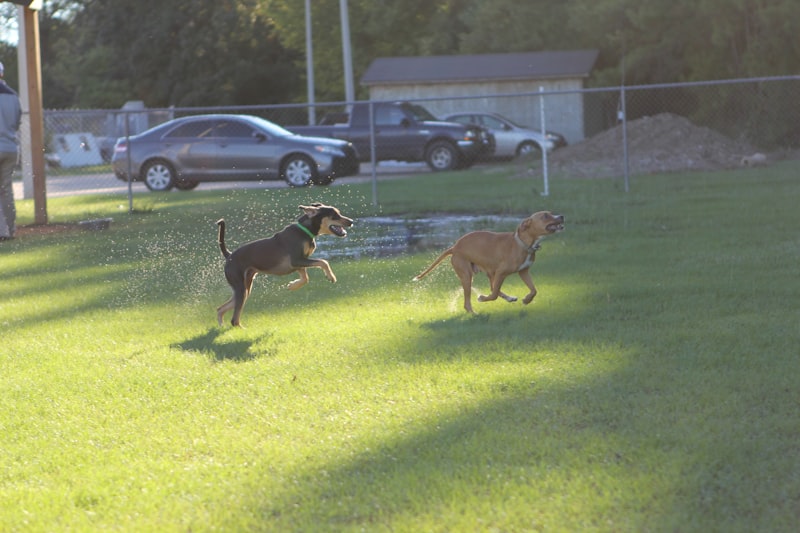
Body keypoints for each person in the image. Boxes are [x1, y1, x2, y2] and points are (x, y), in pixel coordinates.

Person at [0, 60, 21, 240]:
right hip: (10, 148)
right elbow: (17, 121)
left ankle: (1, 231)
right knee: (6, 189)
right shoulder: (13, 95)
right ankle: (10, 228)